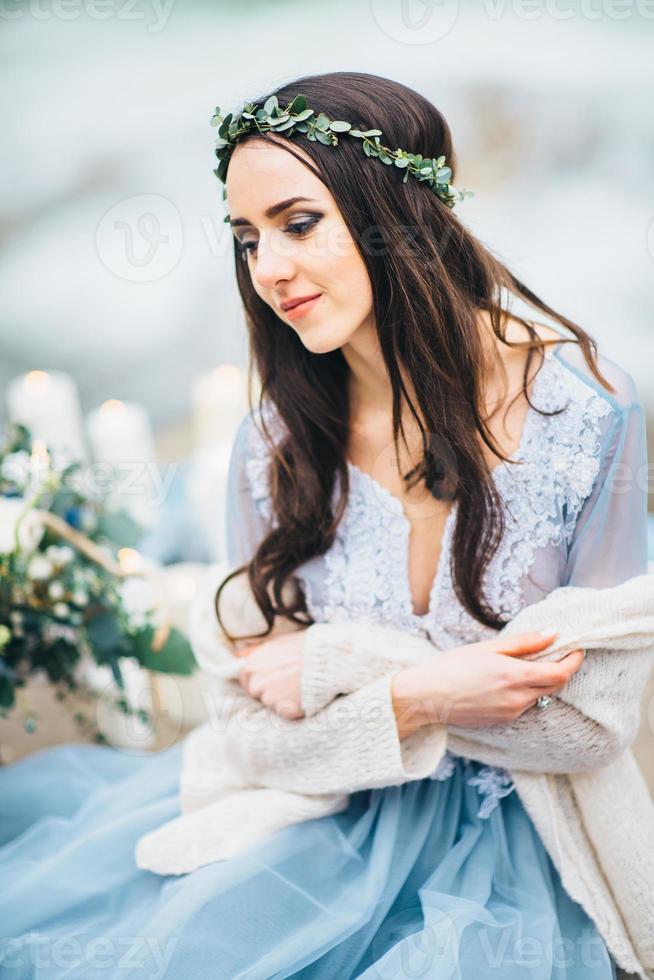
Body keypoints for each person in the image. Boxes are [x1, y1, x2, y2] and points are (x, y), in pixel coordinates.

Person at [0, 71, 649, 979]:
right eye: (247, 238)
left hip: (522, 855)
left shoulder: (590, 417)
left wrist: (328, 671)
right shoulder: (274, 447)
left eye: (297, 224)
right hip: (307, 828)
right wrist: (430, 695)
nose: (267, 270)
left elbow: (588, 725)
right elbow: (249, 734)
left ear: (400, 213)